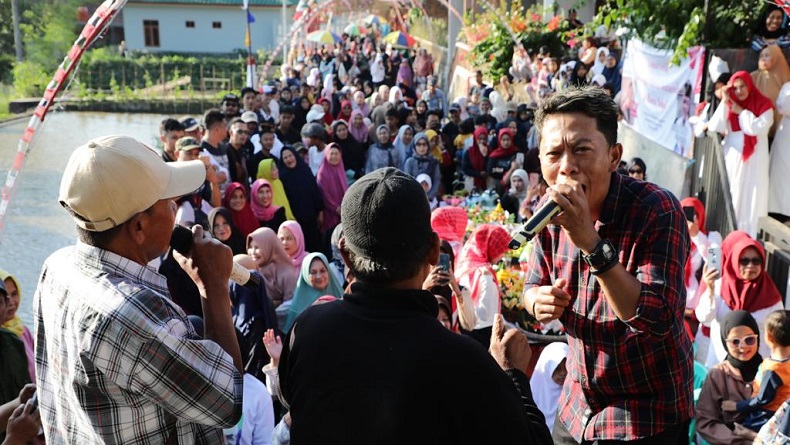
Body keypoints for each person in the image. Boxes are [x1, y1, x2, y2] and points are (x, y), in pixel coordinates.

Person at [277, 167, 552, 444]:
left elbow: (291, 400)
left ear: (345, 255)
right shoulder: (462, 360)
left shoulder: (307, 330)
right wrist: (513, 375)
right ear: (435, 251)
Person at [34, 135, 243, 443]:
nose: (176, 209)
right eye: (168, 203)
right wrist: (213, 286)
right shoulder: (134, 315)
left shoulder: (57, 267)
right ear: (139, 228)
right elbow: (228, 401)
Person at [522, 87, 694, 443]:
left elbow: (656, 318)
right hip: (577, 405)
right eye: (553, 153)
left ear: (614, 156)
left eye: (582, 150)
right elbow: (530, 287)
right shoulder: (547, 214)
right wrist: (536, 301)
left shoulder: (657, 210)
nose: (567, 166)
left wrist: (589, 241)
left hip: (645, 417)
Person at [696, 231, 784, 368]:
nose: (750, 266)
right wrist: (710, 290)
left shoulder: (771, 296)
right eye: (744, 261)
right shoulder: (719, 287)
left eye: (756, 261)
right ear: (734, 261)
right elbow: (704, 319)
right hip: (721, 365)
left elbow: (779, 334)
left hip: (756, 370)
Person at [707, 71, 772, 237]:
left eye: (742, 86)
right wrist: (725, 101)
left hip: (755, 162)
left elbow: (755, 128)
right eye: (735, 88)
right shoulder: (729, 104)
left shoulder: (764, 104)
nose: (739, 91)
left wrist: (741, 112)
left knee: (751, 202)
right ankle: (720, 251)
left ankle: (746, 245)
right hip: (733, 162)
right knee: (731, 201)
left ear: (749, 85)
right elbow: (714, 127)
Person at [696, 310, 763, 445]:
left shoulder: (769, 370)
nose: (742, 346)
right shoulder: (718, 375)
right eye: (735, 341)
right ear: (724, 342)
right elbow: (706, 422)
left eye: (749, 339)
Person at [723, 309, 790, 434]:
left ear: (769, 337)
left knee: (734, 429)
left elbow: (762, 400)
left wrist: (736, 406)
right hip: (784, 412)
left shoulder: (773, 369)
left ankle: (750, 435)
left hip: (769, 415)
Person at [453, 223, 511, 347]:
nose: (502, 255)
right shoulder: (484, 274)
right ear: (491, 246)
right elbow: (485, 314)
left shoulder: (466, 264)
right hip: (483, 334)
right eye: (501, 250)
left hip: (467, 329)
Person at [283, 252, 344, 332]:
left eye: (322, 271)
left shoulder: (341, 296)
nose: (319, 276)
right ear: (305, 275)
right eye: (313, 272)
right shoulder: (296, 309)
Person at [246, 227, 298, 311]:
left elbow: (290, 306)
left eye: (257, 247)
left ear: (270, 247)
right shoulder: (251, 270)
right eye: (251, 247)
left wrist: (270, 312)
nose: (253, 252)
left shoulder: (286, 273)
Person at [0, 270, 34, 383]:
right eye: (5, 296)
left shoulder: (23, 331)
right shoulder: (4, 338)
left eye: (14, 294)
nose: (11, 302)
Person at [530, 341, 571, 433]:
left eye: (566, 367)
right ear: (546, 367)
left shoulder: (575, 394)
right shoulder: (531, 395)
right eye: (556, 368)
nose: (563, 373)